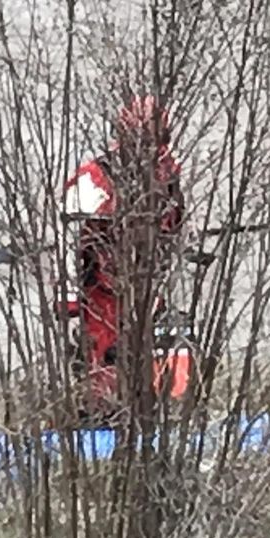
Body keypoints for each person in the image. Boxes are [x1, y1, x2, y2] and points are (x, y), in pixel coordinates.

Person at [62, 94, 187, 391]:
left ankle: (160, 411)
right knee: (101, 381)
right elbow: (65, 236)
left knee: (159, 377)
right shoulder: (95, 179)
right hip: (100, 301)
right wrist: (68, 300)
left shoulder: (168, 179)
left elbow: (177, 236)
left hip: (149, 295)